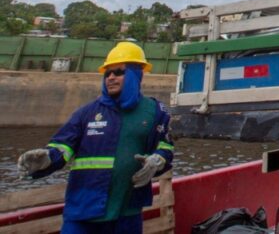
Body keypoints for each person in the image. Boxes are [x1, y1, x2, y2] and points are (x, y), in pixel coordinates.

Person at [17, 42, 174, 234]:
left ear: (136, 74)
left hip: (127, 211)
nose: (111, 77)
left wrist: (157, 161)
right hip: (83, 211)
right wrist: (47, 158)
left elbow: (165, 147)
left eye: (118, 72)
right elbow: (63, 147)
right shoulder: (86, 113)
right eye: (107, 73)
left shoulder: (155, 112)